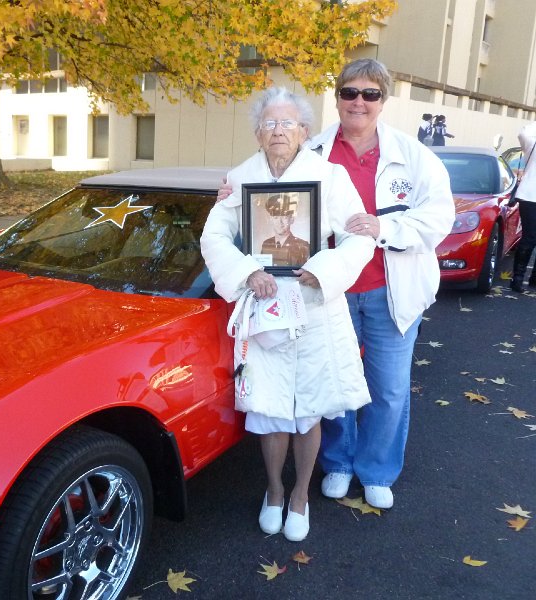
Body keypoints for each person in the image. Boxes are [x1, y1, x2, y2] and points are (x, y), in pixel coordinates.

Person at [201, 87, 375, 542]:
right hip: (264, 305)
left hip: (315, 305)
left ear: (304, 130)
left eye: (288, 123)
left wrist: (323, 270)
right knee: (271, 409)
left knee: (310, 408)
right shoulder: (239, 179)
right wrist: (246, 271)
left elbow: (359, 235)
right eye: (270, 124)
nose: (278, 131)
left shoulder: (330, 176)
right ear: (258, 133)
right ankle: (274, 491)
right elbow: (214, 237)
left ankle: (301, 495)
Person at [307, 59, 455, 509]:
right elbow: (272, 193)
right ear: (337, 97)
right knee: (334, 383)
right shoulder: (311, 152)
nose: (359, 102)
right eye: (350, 92)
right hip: (331, 291)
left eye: (370, 94)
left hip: (390, 291)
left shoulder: (413, 157)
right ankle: (338, 463)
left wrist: (382, 227)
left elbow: (438, 218)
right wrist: (232, 190)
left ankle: (376, 470)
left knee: (388, 388)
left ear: (383, 101)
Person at [510, 119, 536, 292]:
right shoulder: (532, 142)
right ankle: (517, 278)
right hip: (531, 195)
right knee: (530, 237)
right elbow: (523, 134)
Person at [260, 195, 310, 265]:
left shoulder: (302, 246)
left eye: (284, 217)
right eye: (276, 217)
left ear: (291, 219)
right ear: (270, 220)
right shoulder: (266, 244)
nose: (280, 222)